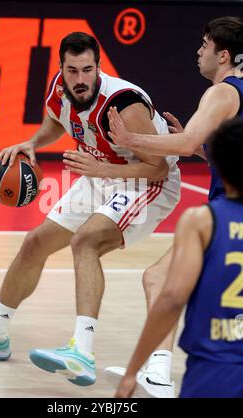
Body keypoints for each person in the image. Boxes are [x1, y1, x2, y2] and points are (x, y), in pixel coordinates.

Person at [0, 32, 180, 390]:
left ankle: (81, 352)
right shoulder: (61, 87)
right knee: (35, 242)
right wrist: (33, 142)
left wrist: (104, 171)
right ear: (62, 68)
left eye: (87, 70)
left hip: (144, 182)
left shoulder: (124, 103)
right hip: (99, 171)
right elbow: (58, 119)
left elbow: (159, 168)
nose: (80, 79)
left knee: (85, 242)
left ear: (98, 67)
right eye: (73, 70)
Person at [105, 16, 243, 397]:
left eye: (205, 45)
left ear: (224, 54)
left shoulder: (222, 93)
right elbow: (210, 149)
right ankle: (159, 369)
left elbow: (182, 148)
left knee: (159, 279)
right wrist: (200, 145)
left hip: (226, 213)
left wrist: (130, 137)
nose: (199, 52)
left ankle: (159, 373)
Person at [115, 118, 243, 398]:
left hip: (214, 369)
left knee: (156, 278)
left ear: (218, 165)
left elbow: (172, 298)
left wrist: (131, 371)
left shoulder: (203, 221)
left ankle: (157, 371)